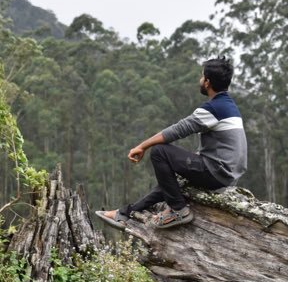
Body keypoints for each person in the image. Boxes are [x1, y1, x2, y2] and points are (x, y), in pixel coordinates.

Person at [97, 56, 247, 229]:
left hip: (217, 173)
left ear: (207, 82)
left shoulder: (214, 108)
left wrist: (142, 146)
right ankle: (124, 214)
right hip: (226, 175)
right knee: (172, 183)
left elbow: (177, 130)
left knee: (160, 152)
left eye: (201, 76)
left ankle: (179, 210)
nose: (200, 80)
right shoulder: (229, 106)